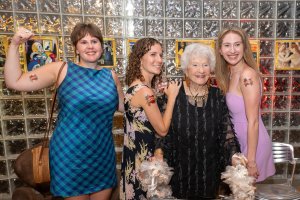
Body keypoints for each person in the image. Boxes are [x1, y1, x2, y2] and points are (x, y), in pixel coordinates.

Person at [4, 23, 124, 200]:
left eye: (94, 41)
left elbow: (126, 107)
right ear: (75, 47)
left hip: (102, 154)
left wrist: (152, 92)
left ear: (101, 46)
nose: (90, 46)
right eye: (83, 42)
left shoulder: (110, 76)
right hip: (70, 155)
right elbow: (15, 81)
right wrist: (14, 45)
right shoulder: (61, 69)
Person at [157, 43, 241, 199]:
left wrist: (235, 156)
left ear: (211, 69)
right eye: (195, 65)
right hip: (179, 173)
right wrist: (159, 152)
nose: (201, 70)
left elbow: (226, 134)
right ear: (186, 69)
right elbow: (162, 132)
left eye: (205, 65)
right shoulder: (173, 94)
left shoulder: (218, 96)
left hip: (209, 174)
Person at [120, 38, 181, 200]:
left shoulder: (134, 86)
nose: (159, 60)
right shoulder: (145, 92)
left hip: (134, 162)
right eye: (153, 54)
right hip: (144, 167)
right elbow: (162, 129)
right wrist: (172, 97)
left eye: (161, 55)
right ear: (140, 58)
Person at [215, 27, 275, 183]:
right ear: (220, 50)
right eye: (227, 45)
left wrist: (252, 160)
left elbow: (253, 121)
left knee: (244, 194)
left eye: (237, 44)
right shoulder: (230, 73)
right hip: (239, 142)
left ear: (244, 47)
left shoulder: (247, 75)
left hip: (252, 145)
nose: (232, 50)